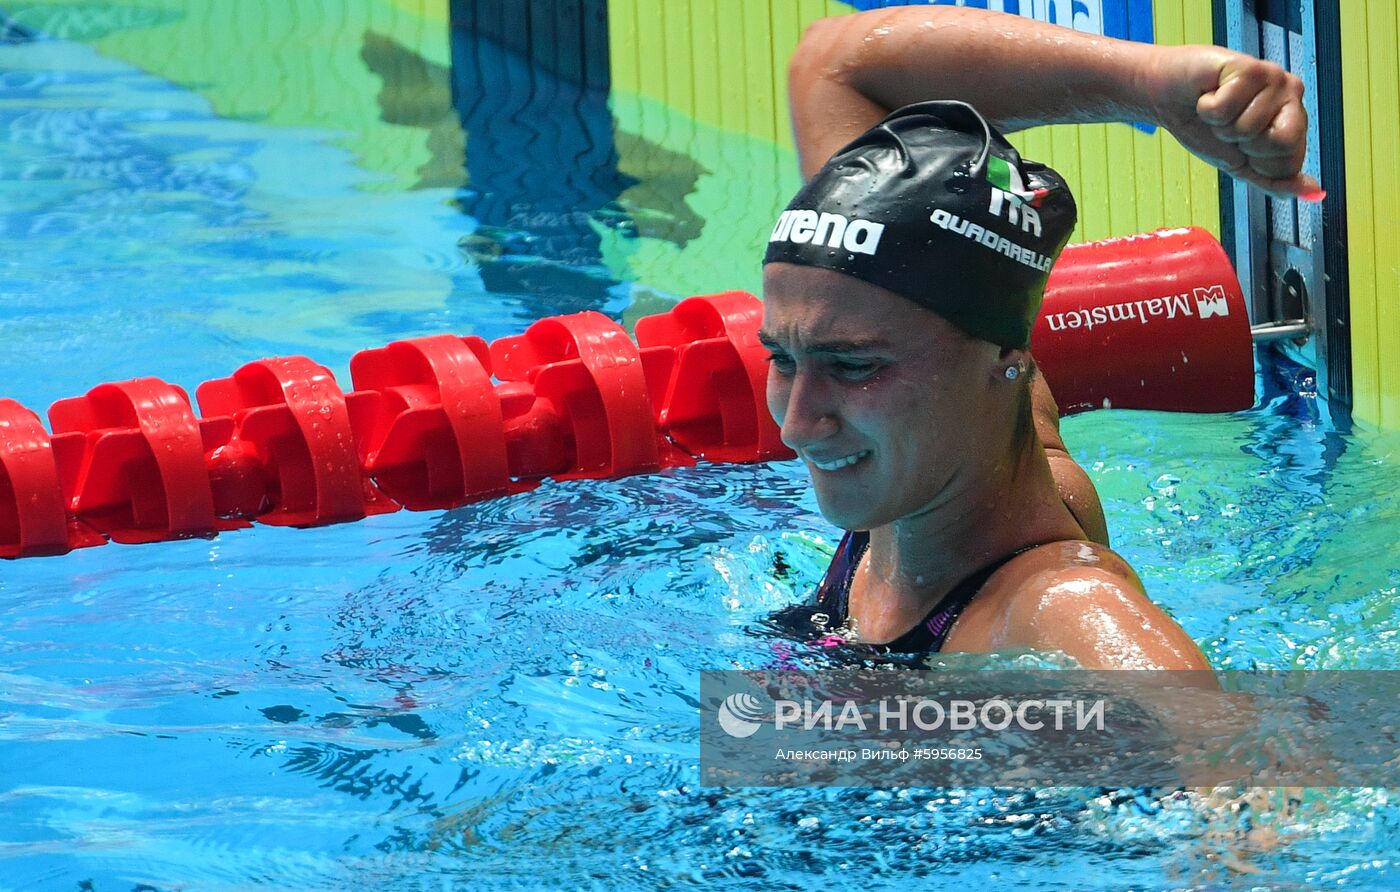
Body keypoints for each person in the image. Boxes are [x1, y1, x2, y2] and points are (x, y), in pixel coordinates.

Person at [763, 6, 1316, 670]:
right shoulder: (939, 449)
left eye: (852, 367)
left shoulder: (1062, 611)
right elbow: (835, 63)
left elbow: (1217, 743)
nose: (798, 425)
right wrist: (1148, 81)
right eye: (782, 358)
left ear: (1006, 361)